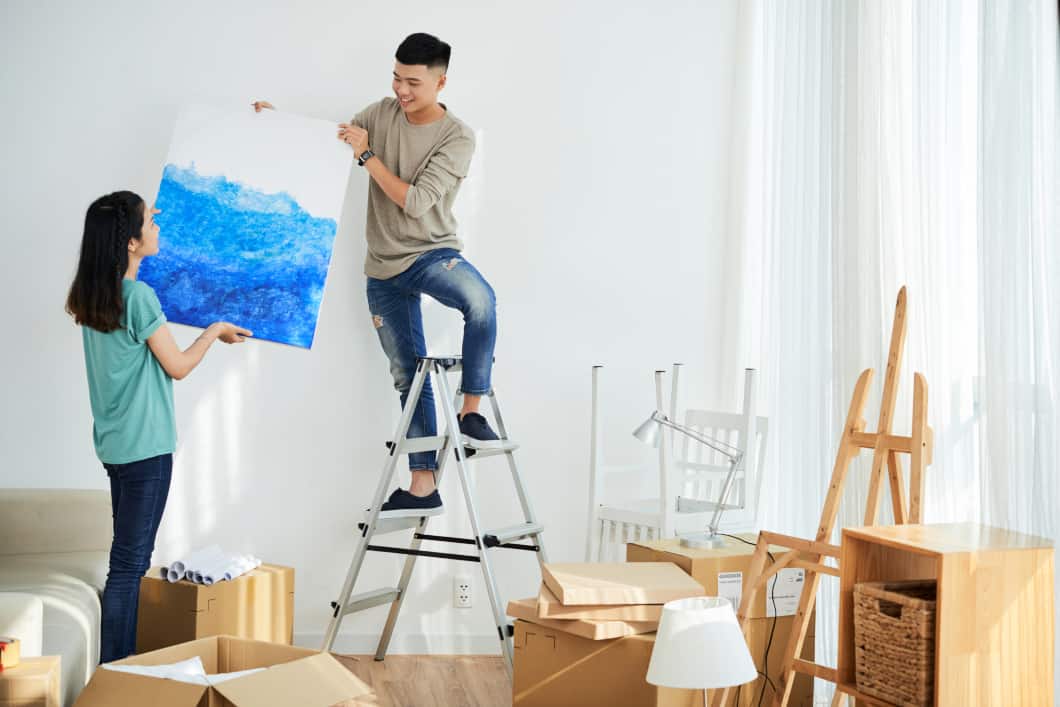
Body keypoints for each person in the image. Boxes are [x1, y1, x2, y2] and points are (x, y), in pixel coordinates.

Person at [255, 32, 501, 515]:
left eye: (412, 82)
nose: (401, 91)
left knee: (481, 301)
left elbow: (415, 201)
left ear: (440, 82)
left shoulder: (458, 137)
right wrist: (276, 122)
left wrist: (368, 157)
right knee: (409, 374)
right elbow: (332, 142)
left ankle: (471, 411)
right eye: (395, 78)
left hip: (432, 253)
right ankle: (423, 485)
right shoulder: (381, 112)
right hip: (383, 269)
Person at [65, 190, 251, 662]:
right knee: (129, 566)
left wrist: (139, 215)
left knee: (125, 561)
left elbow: (125, 240)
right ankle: (117, 670)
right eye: (151, 222)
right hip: (146, 448)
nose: (158, 227)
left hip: (114, 446)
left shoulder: (92, 295)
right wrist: (213, 330)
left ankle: (115, 667)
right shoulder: (139, 297)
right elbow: (178, 366)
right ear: (129, 242)